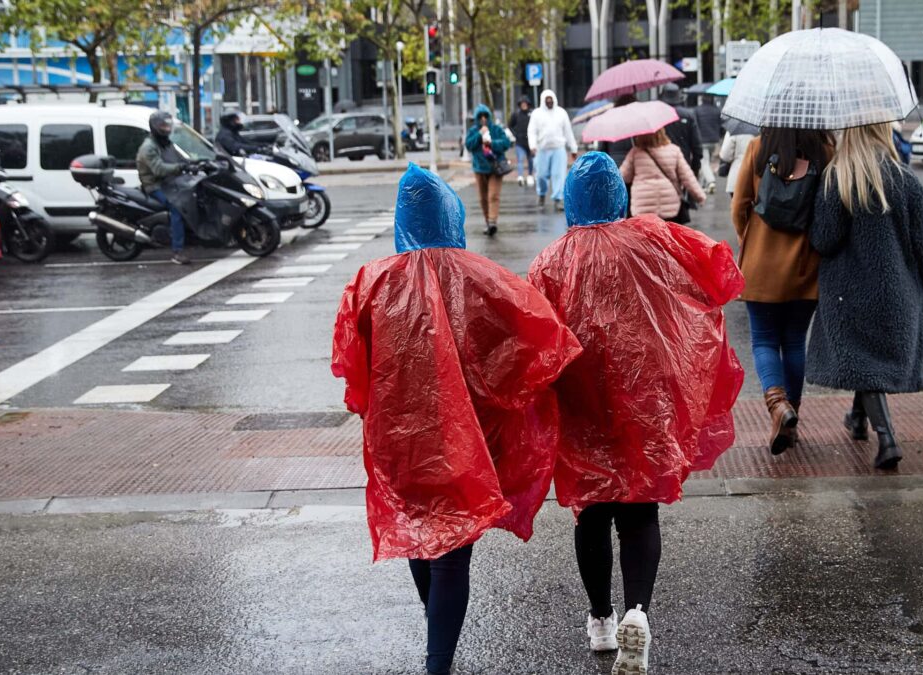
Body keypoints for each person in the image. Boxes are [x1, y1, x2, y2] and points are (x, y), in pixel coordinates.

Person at [332, 164, 581, 675]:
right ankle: (438, 659)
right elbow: (534, 341)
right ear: (451, 214)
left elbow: (351, 366)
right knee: (452, 549)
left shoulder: (370, 282)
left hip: (397, 439)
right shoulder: (480, 276)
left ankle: (436, 638)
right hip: (464, 439)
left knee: (419, 530)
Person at [528, 152, 744, 675]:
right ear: (618, 196)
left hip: (581, 402)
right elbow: (716, 271)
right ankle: (638, 611)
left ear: (573, 201)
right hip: (644, 400)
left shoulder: (551, 260)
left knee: (592, 510)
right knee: (640, 509)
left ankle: (601, 619)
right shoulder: (654, 237)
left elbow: (536, 337)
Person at [806, 122, 923, 470]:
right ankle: (857, 419)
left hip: (849, 292)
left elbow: (824, 240)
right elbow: (921, 243)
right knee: (867, 361)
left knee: (861, 359)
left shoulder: (836, 180)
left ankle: (887, 439)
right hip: (896, 289)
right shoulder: (906, 180)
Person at [732, 127, 833, 454]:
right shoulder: (824, 149)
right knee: (793, 341)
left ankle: (778, 407)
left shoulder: (759, 147)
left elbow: (740, 204)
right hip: (805, 264)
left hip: (762, 262)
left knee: (763, 339)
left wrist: (749, 240)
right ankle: (792, 418)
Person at [619, 128, 706, 225]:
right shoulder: (674, 150)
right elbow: (687, 177)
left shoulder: (635, 152)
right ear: (662, 133)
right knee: (668, 237)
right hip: (670, 206)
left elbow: (624, 177)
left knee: (647, 238)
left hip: (643, 206)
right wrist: (699, 196)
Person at [136, 111, 190, 265]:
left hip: (169, 182)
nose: (166, 129)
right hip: (155, 186)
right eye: (163, 126)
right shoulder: (149, 147)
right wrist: (180, 167)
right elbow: (158, 169)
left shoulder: (165, 143)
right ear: (155, 127)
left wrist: (194, 163)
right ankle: (177, 252)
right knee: (176, 208)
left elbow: (179, 158)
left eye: (168, 125)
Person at [464, 104, 512, 236]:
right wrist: (480, 135)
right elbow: (468, 145)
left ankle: (492, 222)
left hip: (495, 168)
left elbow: (506, 143)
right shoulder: (474, 131)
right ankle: (487, 221)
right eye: (480, 117)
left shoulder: (496, 129)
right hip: (480, 169)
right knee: (483, 198)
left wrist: (492, 143)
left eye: (485, 116)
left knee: (493, 196)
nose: (483, 119)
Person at [526, 88, 578, 210]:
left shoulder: (561, 113)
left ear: (554, 100)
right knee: (541, 175)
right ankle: (542, 194)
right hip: (542, 149)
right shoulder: (536, 114)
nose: (549, 102)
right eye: (547, 100)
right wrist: (532, 145)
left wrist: (573, 148)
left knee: (558, 175)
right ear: (543, 101)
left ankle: (558, 199)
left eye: (551, 100)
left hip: (558, 149)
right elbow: (532, 131)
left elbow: (568, 132)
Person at [657, 84, 704, 177]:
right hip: (684, 161)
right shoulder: (688, 115)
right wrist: (696, 166)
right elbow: (696, 144)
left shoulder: (657, 115)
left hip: (661, 163)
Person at [600, 94, 638, 167]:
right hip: (633, 164)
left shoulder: (608, 123)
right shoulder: (637, 124)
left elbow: (602, 150)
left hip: (613, 166)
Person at [694, 96, 722, 193]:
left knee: (704, 163)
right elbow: (721, 125)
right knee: (708, 162)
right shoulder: (717, 110)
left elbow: (695, 126)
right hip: (714, 141)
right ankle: (703, 185)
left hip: (702, 141)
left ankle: (710, 181)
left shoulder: (697, 110)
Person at [718, 130, 755, 196]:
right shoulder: (760, 129)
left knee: (736, 204)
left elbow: (725, 156)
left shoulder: (733, 130)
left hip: (736, 174)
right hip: (754, 176)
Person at [507, 98, 535, 186]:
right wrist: (515, 134)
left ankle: (530, 175)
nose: (524, 105)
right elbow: (510, 125)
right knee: (520, 159)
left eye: (525, 103)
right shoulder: (516, 115)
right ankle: (520, 176)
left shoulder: (532, 114)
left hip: (530, 142)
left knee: (531, 160)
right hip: (520, 141)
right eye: (522, 104)